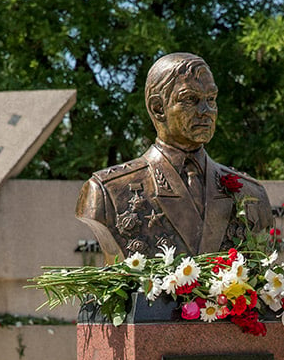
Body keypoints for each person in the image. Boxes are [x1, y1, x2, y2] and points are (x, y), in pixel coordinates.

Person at [76, 52, 272, 262]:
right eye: (191, 99)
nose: (206, 111)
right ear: (158, 108)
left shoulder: (251, 193)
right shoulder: (108, 192)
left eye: (211, 99)